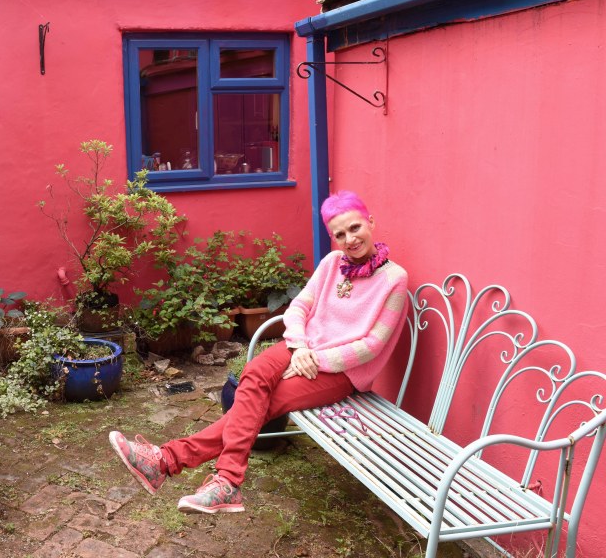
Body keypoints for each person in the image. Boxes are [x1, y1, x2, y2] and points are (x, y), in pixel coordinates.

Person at [109, 190, 409, 514]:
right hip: (301, 348)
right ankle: (219, 482)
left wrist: (316, 359)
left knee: (266, 403)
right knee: (252, 374)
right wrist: (299, 346)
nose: (349, 239)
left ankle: (173, 463)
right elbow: (300, 307)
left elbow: (373, 345)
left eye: (355, 228)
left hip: (341, 370)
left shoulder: (394, 279)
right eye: (340, 234)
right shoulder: (332, 263)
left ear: (371, 223)